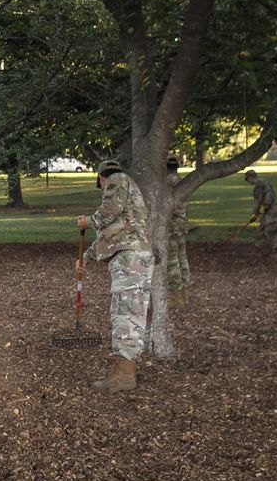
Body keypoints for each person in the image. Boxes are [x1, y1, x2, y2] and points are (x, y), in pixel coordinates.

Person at [76, 159, 154, 393]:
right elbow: (112, 233)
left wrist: (87, 222)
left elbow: (108, 213)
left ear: (101, 177)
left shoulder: (117, 180)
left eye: (101, 183)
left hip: (130, 260)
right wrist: (86, 258)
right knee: (128, 312)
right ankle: (123, 368)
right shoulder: (129, 191)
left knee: (126, 314)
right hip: (134, 256)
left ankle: (124, 375)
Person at [166, 155, 191, 309]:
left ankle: (176, 298)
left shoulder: (167, 182)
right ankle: (184, 294)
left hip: (171, 226)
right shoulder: (183, 181)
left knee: (172, 261)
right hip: (182, 224)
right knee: (182, 259)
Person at [244, 169, 277, 249]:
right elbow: (257, 202)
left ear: (251, 177)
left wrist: (265, 207)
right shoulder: (256, 189)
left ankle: (274, 247)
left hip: (273, 209)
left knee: (270, 229)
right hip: (266, 211)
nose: (248, 182)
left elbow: (269, 196)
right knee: (261, 228)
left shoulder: (263, 183)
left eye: (247, 179)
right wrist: (254, 215)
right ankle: (261, 246)